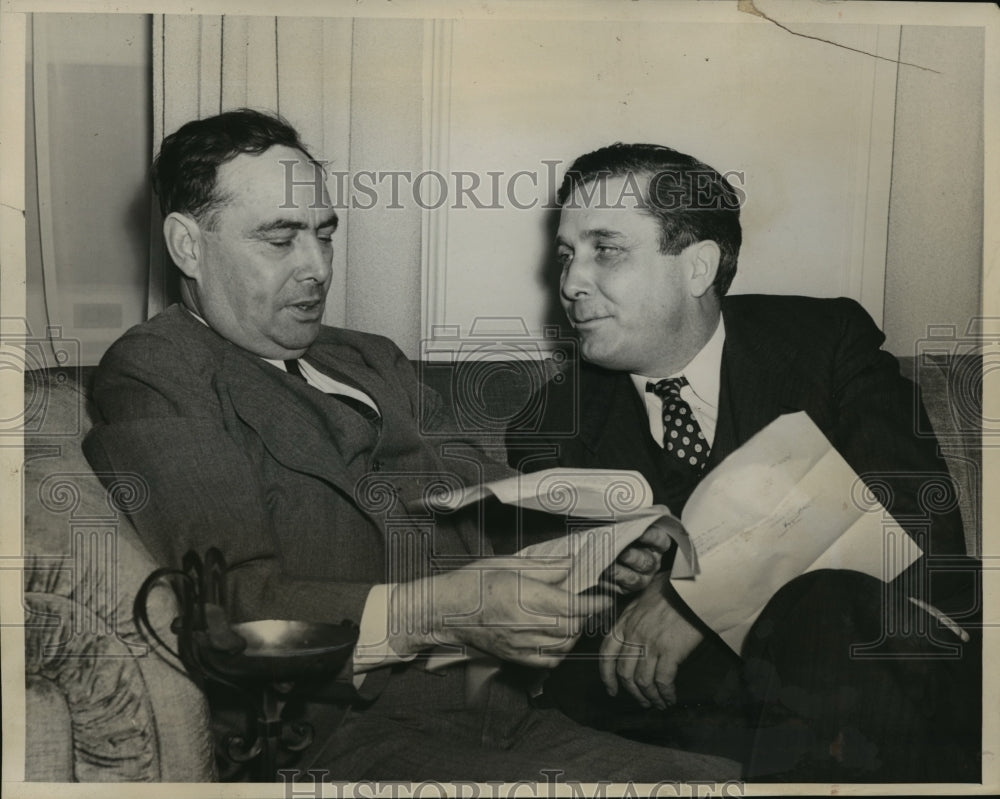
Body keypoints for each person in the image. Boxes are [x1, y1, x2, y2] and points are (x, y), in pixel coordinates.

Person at [83, 110, 741, 783]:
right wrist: (440, 610)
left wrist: (603, 539)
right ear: (187, 246)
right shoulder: (159, 370)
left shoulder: (366, 356)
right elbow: (228, 608)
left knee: (724, 781)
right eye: (280, 239)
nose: (317, 268)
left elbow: (484, 494)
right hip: (339, 739)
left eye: (324, 234)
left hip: (503, 713)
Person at [508, 143, 982, 782]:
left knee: (830, 606)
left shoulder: (826, 343)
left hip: (904, 664)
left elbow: (917, 525)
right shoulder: (549, 424)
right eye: (566, 255)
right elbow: (564, 640)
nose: (570, 282)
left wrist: (697, 595)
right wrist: (603, 578)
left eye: (606, 250)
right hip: (711, 707)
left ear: (697, 266)